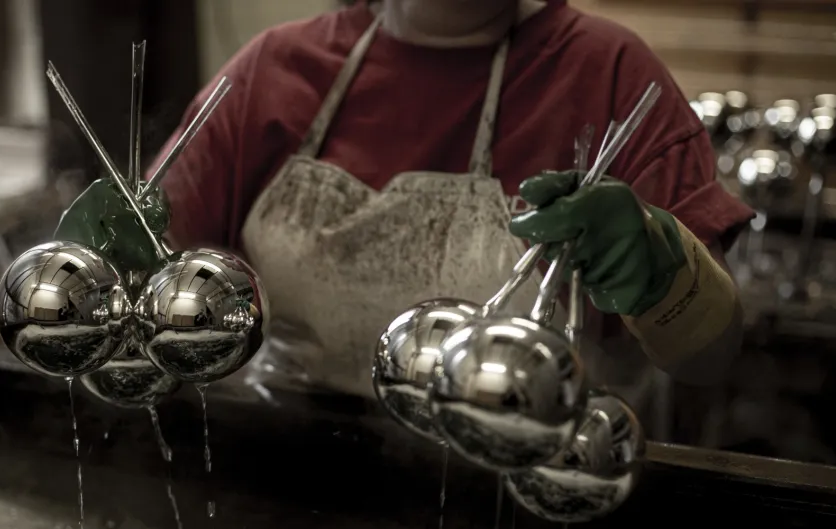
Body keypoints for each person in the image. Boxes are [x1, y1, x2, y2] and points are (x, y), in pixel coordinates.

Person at [140, 0, 753, 415]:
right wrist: (117, 257)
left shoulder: (612, 77)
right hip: (285, 508)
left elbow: (713, 359)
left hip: (521, 528)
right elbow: (149, 283)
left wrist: (658, 268)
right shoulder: (272, 73)